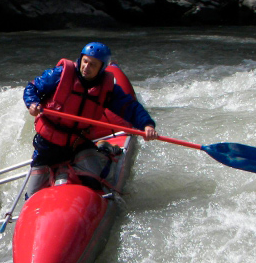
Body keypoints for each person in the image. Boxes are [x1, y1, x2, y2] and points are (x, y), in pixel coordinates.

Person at [23, 42, 158, 195]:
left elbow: (130, 107)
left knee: (94, 181)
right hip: (48, 144)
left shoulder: (107, 89)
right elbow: (32, 88)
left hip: (77, 143)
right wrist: (32, 103)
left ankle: (105, 154)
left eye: (93, 64)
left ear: (101, 68)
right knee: (33, 193)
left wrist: (147, 125)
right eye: (85, 61)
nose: (86, 67)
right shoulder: (60, 75)